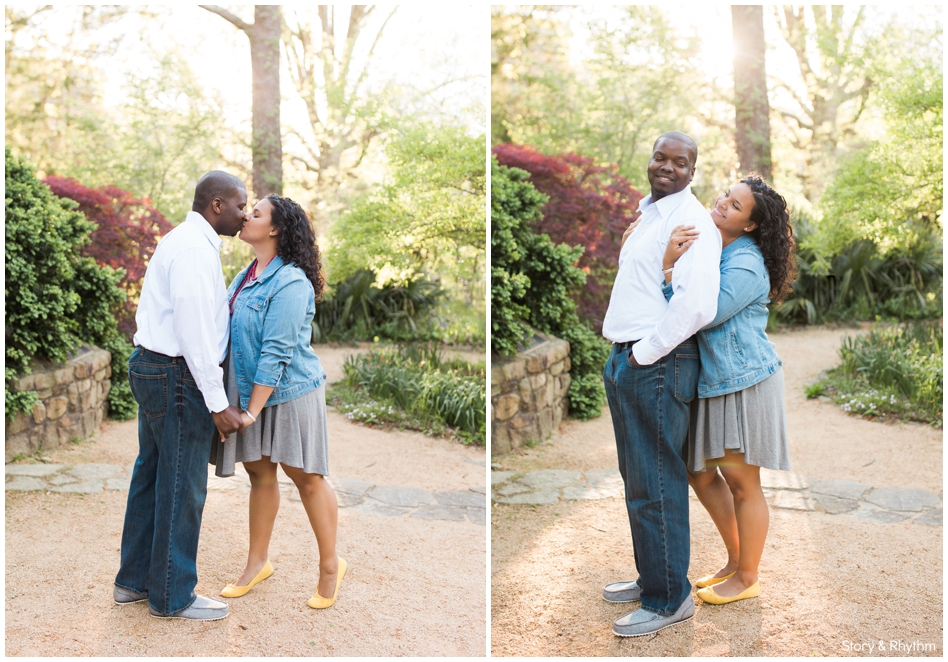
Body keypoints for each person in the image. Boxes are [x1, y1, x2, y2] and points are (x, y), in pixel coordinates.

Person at [600, 131, 722, 637]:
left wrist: (644, 355)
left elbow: (696, 305)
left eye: (680, 161)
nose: (667, 166)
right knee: (639, 479)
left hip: (657, 361)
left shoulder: (690, 219)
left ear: (693, 171)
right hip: (627, 357)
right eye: (660, 157)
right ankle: (656, 574)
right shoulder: (651, 215)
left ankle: (668, 598)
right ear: (649, 161)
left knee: (655, 482)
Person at [113, 171, 247, 621]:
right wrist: (218, 402)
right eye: (238, 205)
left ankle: (132, 581)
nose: (243, 213)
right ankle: (172, 596)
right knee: (181, 483)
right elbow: (192, 330)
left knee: (151, 475)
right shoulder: (193, 248)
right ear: (215, 205)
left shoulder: (187, 240)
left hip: (157, 366)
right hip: (175, 373)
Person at [659, 175, 795, 605]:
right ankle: (736, 561)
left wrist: (667, 270)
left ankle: (748, 575)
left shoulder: (746, 262)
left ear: (751, 225)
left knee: (742, 481)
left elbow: (706, 313)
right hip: (716, 381)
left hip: (746, 381)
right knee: (699, 473)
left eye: (735, 206)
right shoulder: (718, 248)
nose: (722, 205)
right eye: (725, 196)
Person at [209, 194, 346, 609]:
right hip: (252, 393)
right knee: (260, 477)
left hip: (289, 394)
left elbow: (277, 352)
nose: (245, 216)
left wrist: (251, 409)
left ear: (274, 229)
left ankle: (329, 566)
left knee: (306, 479)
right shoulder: (245, 274)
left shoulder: (291, 282)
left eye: (255, 213)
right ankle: (257, 563)